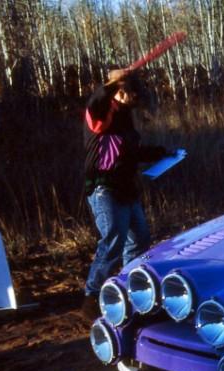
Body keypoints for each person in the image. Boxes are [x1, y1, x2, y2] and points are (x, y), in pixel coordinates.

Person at [80, 69, 169, 320]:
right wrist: (112, 81)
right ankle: (92, 296)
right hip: (104, 188)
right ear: (120, 91)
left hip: (127, 188)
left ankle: (134, 291)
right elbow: (96, 101)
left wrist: (160, 153)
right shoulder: (101, 111)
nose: (137, 98)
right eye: (133, 93)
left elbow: (130, 153)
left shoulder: (125, 118)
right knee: (112, 242)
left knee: (139, 240)